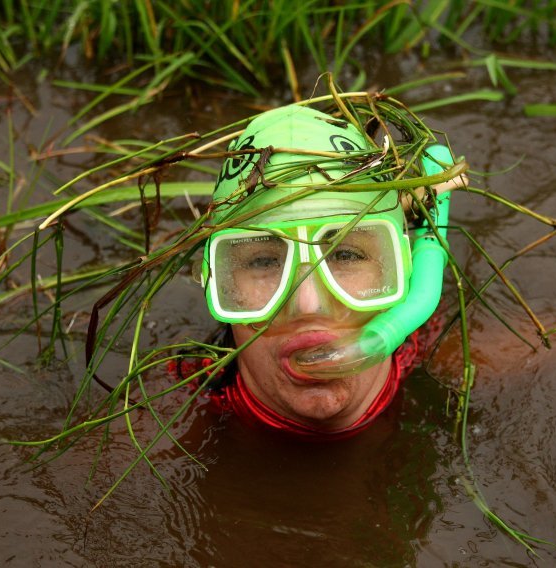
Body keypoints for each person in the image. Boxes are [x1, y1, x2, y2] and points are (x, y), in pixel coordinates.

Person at [178, 103, 463, 438]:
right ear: (215, 280)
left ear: (403, 265)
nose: (308, 304)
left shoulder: (447, 356)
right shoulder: (177, 406)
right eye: (264, 261)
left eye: (346, 255)